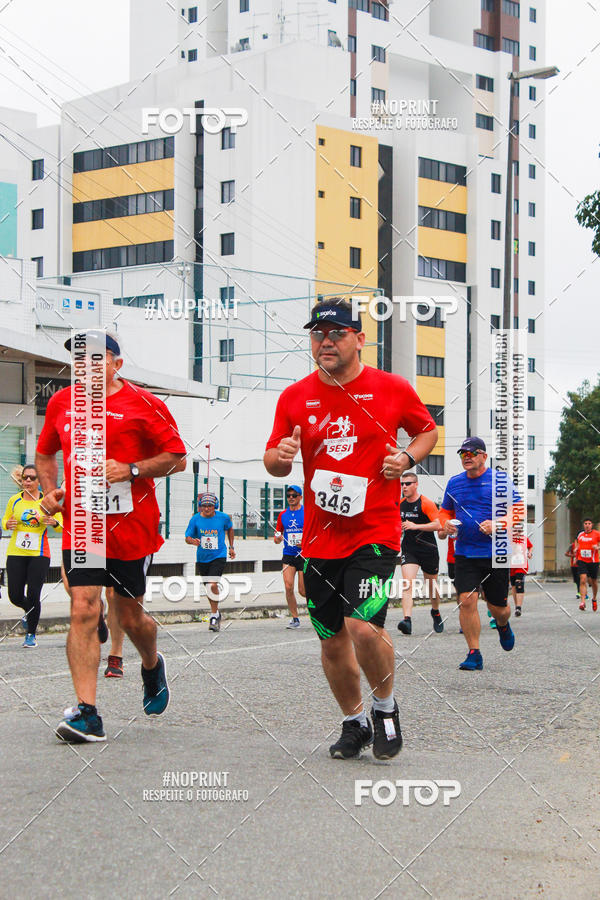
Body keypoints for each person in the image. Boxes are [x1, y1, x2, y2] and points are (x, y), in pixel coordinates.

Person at [264, 298, 437, 760]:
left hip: (375, 533)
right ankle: (354, 722)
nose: (325, 341)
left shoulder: (391, 388)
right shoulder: (294, 397)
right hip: (320, 540)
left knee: (363, 627)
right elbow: (274, 461)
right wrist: (279, 459)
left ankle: (384, 708)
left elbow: (427, 431)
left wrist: (405, 459)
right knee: (331, 638)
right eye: (318, 334)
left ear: (359, 339)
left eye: (336, 333)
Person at [36, 330, 186, 742]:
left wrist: (132, 470)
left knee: (129, 617)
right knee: (84, 608)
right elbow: (46, 451)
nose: (87, 367)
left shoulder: (145, 404)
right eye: (79, 360)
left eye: (97, 359)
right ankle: (88, 713)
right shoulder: (61, 403)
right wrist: (50, 491)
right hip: (83, 526)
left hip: (131, 528)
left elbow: (178, 459)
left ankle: (152, 665)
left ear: (117, 364)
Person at [439, 436, 521, 671]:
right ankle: (474, 653)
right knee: (467, 600)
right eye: (463, 454)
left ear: (484, 456)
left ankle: (503, 625)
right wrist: (445, 524)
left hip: (496, 552)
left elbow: (517, 509)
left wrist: (499, 523)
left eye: (471, 453)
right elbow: (444, 511)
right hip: (465, 552)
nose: (467, 457)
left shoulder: (500, 480)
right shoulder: (455, 483)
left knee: (498, 608)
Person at [1, 464, 62, 647]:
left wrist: (53, 522)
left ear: (39, 481)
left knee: (34, 593)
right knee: (15, 595)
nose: (27, 481)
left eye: (32, 478)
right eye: (25, 478)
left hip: (39, 553)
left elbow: (60, 524)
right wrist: (7, 524)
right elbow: (5, 520)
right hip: (16, 552)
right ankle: (30, 612)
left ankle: (31, 634)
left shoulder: (47, 501)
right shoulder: (15, 500)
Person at [397, 473, 443, 635]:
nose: (404, 487)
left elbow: (439, 525)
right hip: (410, 549)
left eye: (408, 484)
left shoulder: (426, 503)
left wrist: (415, 526)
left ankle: (435, 611)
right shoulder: (400, 504)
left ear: (416, 484)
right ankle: (407, 620)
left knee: (431, 587)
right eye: (402, 484)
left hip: (428, 549)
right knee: (407, 583)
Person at [185, 492, 235, 632]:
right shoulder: (195, 519)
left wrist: (231, 547)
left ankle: (213, 615)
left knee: (213, 583)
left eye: (210, 506)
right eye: (204, 506)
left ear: (215, 506)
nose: (206, 508)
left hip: (219, 555)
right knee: (208, 587)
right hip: (202, 558)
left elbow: (230, 529)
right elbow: (187, 537)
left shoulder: (223, 518)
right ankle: (216, 612)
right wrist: (193, 541)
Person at [274, 485, 305, 628]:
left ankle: (320, 611)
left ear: (300, 497)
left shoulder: (307, 512)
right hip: (288, 554)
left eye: (294, 495)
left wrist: (304, 542)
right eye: (289, 495)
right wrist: (278, 539)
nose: (291, 498)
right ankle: (295, 619)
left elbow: (315, 533)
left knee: (303, 591)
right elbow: (277, 534)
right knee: (288, 586)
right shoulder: (283, 515)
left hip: (304, 555)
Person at [575, 519, 600, 611]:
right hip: (582, 560)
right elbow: (578, 545)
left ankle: (594, 598)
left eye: (589, 523)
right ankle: (582, 602)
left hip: (593, 561)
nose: (587, 525)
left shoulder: (597, 534)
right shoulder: (580, 535)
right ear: (583, 525)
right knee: (583, 579)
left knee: (593, 581)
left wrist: (598, 547)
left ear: (592, 525)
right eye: (585, 523)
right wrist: (576, 552)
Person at [509, 531, 533, 616]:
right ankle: (516, 606)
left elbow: (530, 546)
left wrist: (530, 553)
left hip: (521, 565)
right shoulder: (508, 539)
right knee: (514, 586)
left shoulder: (524, 539)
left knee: (518, 583)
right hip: (511, 566)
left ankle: (518, 607)